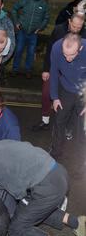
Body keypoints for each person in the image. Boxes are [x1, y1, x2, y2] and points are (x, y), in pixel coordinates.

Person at [32, 13, 86, 132]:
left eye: (79, 27)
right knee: (47, 92)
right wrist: (46, 69)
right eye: (74, 26)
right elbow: (49, 50)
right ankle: (45, 120)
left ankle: (69, 126)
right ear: (69, 21)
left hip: (74, 73)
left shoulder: (84, 35)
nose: (76, 29)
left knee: (72, 100)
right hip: (56, 68)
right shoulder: (58, 30)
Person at [49, 33, 86, 162]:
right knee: (59, 121)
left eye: (72, 55)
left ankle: (82, 157)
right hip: (66, 88)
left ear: (80, 49)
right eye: (65, 54)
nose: (68, 58)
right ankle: (55, 153)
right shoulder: (56, 48)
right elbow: (53, 72)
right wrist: (54, 97)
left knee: (83, 126)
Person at [11, 0, 49, 79]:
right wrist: (17, 22)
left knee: (31, 53)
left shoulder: (43, 4)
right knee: (18, 50)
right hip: (22, 31)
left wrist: (40, 28)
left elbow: (46, 18)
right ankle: (15, 69)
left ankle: (28, 71)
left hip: (33, 33)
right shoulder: (25, 0)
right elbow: (14, 9)